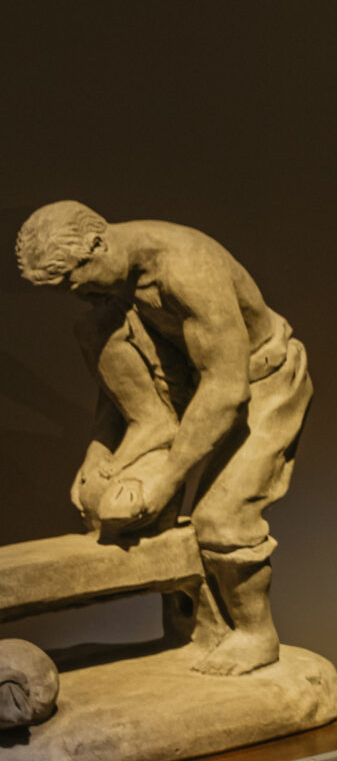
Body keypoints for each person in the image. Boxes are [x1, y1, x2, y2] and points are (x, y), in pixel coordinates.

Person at [15, 202, 312, 676]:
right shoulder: (116, 288)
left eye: (76, 281)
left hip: (259, 383)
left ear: (98, 245)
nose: (80, 294)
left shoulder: (185, 269)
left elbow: (227, 388)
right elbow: (113, 391)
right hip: (193, 388)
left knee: (219, 519)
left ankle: (256, 634)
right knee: (102, 500)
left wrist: (167, 477)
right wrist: (98, 452)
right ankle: (193, 626)